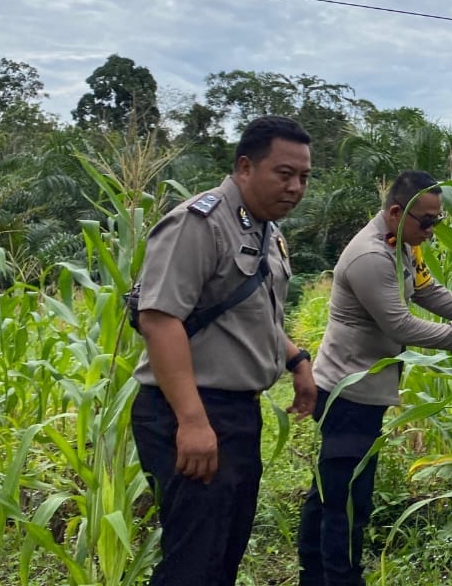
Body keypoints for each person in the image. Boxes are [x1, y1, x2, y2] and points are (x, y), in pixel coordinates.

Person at [130, 115, 318, 586]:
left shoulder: (266, 231)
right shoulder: (200, 223)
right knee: (193, 559)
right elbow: (159, 319)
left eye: (304, 177)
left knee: (223, 551)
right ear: (244, 167)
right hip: (190, 411)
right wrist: (193, 422)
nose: (296, 187)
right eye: (284, 173)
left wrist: (296, 360)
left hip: (236, 414)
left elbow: (251, 314)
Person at [297, 170, 452, 586]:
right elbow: (400, 326)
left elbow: (431, 294)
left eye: (438, 221)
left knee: (331, 492)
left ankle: (314, 574)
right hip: (347, 394)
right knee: (347, 500)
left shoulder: (402, 247)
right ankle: (339, 578)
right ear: (396, 212)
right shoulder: (371, 258)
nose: (432, 231)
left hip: (365, 391)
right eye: (426, 221)